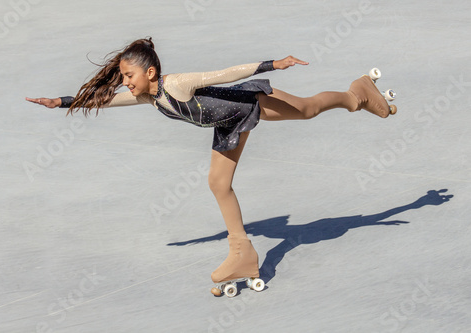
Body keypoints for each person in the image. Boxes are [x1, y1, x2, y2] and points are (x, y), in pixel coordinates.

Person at [26, 37, 396, 293]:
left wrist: (273, 64)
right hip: (227, 123)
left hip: (252, 101)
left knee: (308, 109)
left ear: (150, 73)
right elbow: (106, 102)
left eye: (129, 76)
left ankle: (357, 93)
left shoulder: (178, 85)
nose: (125, 83)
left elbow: (224, 74)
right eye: (124, 77)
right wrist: (60, 103)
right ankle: (243, 253)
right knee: (218, 184)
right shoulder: (148, 99)